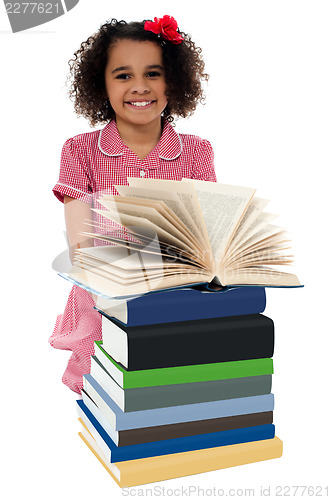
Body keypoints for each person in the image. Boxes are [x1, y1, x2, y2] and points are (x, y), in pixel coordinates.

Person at [49, 15, 217, 394]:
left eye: (153, 74)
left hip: (175, 298)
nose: (140, 87)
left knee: (171, 394)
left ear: (173, 80)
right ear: (100, 83)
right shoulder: (79, 151)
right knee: (107, 395)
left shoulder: (196, 152)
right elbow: (82, 251)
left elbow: (205, 238)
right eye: (123, 75)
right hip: (102, 299)